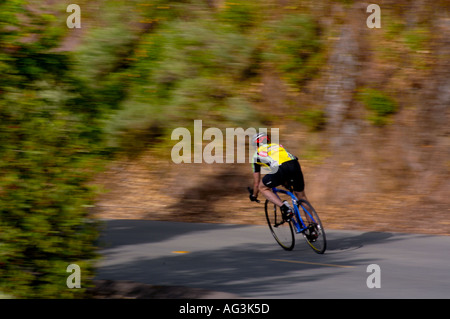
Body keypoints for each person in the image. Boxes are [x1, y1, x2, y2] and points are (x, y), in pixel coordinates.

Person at [248, 132, 308, 221]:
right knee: (302, 196)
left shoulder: (256, 155)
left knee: (262, 187)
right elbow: (288, 161)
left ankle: (285, 208)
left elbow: (256, 183)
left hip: (280, 167)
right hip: (294, 164)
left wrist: (254, 195)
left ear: (255, 145)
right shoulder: (278, 145)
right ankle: (313, 226)